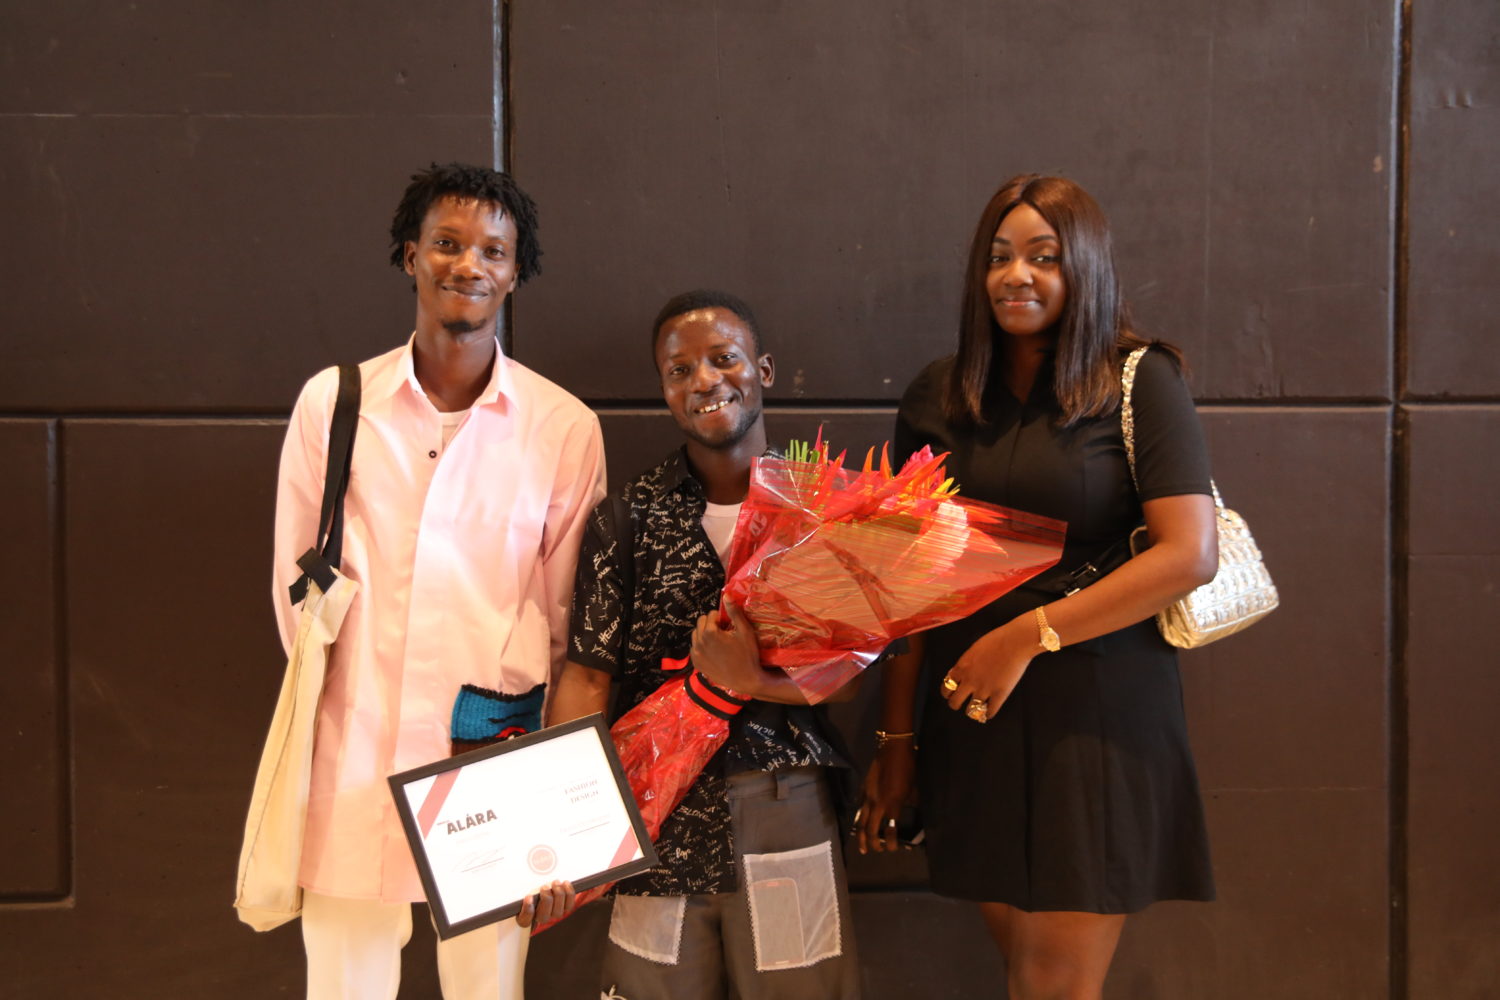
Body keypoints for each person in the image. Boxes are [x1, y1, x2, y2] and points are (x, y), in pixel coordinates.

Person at [857, 174, 1219, 999]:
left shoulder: (1141, 380)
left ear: (1083, 266)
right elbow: (908, 585)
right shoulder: (938, 396)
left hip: (1096, 715)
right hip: (972, 717)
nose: (1015, 275)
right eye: (999, 256)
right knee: (1023, 971)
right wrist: (896, 743)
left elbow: (1188, 555)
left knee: (1052, 982)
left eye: (1044, 256)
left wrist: (1026, 637)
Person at [272, 162, 604, 999]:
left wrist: (554, 800)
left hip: (492, 758)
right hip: (353, 749)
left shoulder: (562, 427)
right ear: (409, 255)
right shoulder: (335, 404)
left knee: (488, 988)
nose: (470, 265)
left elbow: (570, 626)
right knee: (343, 986)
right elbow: (295, 595)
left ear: (516, 272)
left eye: (493, 250)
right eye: (448, 244)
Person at [549, 289, 863, 1000]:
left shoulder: (819, 508)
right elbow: (587, 679)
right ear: (664, 390)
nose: (704, 381)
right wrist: (564, 820)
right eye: (679, 370)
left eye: (723, 359)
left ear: (764, 369)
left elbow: (849, 679)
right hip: (655, 811)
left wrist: (752, 682)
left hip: (783, 803)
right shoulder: (626, 517)